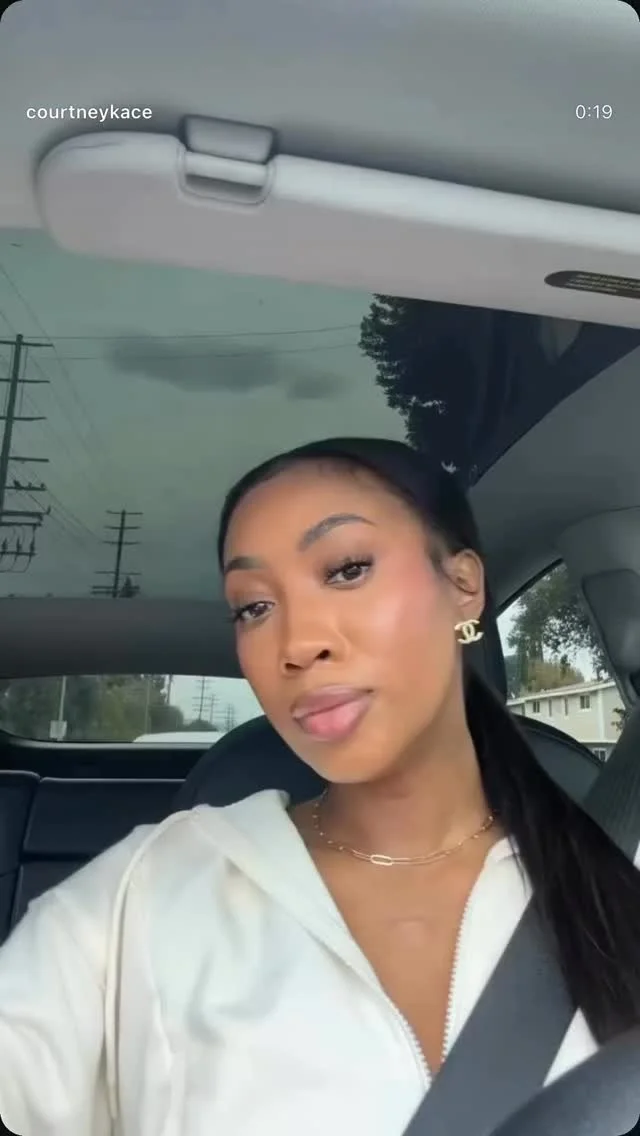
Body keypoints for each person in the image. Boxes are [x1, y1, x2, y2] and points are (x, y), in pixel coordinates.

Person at [2, 436, 640, 1136]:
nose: (298, 643)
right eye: (253, 607)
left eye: (346, 569)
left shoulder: (607, 884)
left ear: (463, 585)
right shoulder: (150, 889)